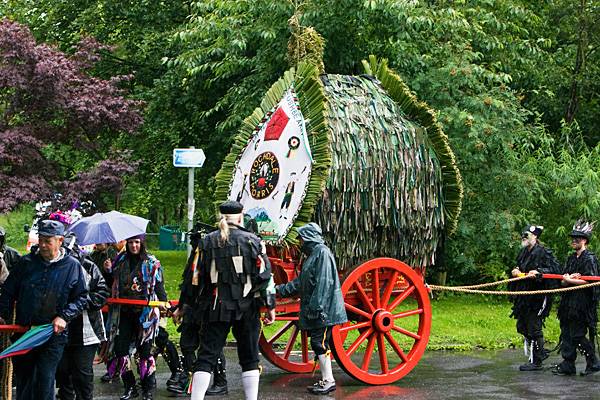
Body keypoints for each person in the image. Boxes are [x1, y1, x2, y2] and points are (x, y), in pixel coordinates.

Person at [190, 201, 276, 400]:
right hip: (247, 307)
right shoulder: (254, 241)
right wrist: (270, 305)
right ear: (240, 216)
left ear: (220, 216)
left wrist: (188, 305)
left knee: (207, 356)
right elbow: (265, 278)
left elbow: (194, 277)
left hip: (215, 307)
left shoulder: (206, 242)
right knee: (249, 357)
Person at [0, 220, 88, 400]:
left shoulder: (72, 266)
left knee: (45, 381)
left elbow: (81, 297)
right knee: (24, 382)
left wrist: (64, 316)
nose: (43, 245)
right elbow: (8, 291)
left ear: (60, 240)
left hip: (52, 335)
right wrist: (3, 314)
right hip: (24, 332)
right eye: (40, 240)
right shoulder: (26, 263)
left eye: (48, 241)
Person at [276, 222, 347, 395]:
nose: (299, 242)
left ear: (308, 238)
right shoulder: (314, 255)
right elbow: (300, 284)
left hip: (323, 311)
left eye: (301, 239)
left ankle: (329, 380)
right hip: (321, 310)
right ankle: (326, 379)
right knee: (319, 342)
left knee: (319, 342)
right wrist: (278, 291)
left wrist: (317, 308)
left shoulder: (321, 253)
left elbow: (324, 283)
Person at [170, 223, 228, 396]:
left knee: (210, 345)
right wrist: (181, 307)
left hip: (210, 306)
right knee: (187, 343)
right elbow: (189, 284)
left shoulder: (215, 258)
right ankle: (189, 379)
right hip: (193, 307)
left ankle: (220, 381)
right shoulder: (195, 257)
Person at [108, 234, 167, 400]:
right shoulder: (119, 261)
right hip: (124, 312)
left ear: (142, 243)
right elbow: (112, 284)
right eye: (131, 242)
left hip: (145, 314)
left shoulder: (151, 262)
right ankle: (130, 386)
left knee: (145, 352)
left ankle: (147, 389)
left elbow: (159, 286)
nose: (134, 246)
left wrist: (163, 304)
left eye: (137, 242)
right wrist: (108, 270)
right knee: (120, 350)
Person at [56, 234, 110, 400]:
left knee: (82, 373)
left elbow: (102, 294)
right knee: (62, 371)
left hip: (86, 330)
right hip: (60, 329)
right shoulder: (54, 267)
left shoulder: (89, 267)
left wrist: (79, 300)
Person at [508, 225, 560, 371]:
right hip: (524, 297)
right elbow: (518, 265)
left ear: (535, 237)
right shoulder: (523, 252)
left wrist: (538, 272)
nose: (524, 237)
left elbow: (555, 270)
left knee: (534, 327)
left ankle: (537, 360)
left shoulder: (543, 252)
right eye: (523, 235)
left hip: (538, 296)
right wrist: (516, 270)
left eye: (527, 235)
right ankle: (538, 353)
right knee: (522, 326)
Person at [552, 220, 600, 376]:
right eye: (573, 238)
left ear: (584, 240)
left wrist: (571, 280)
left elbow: (590, 280)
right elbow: (562, 279)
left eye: (577, 238)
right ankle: (568, 363)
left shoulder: (589, 258)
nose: (574, 241)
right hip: (568, 302)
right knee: (566, 332)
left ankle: (592, 362)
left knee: (578, 334)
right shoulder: (571, 258)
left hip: (582, 304)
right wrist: (568, 279)